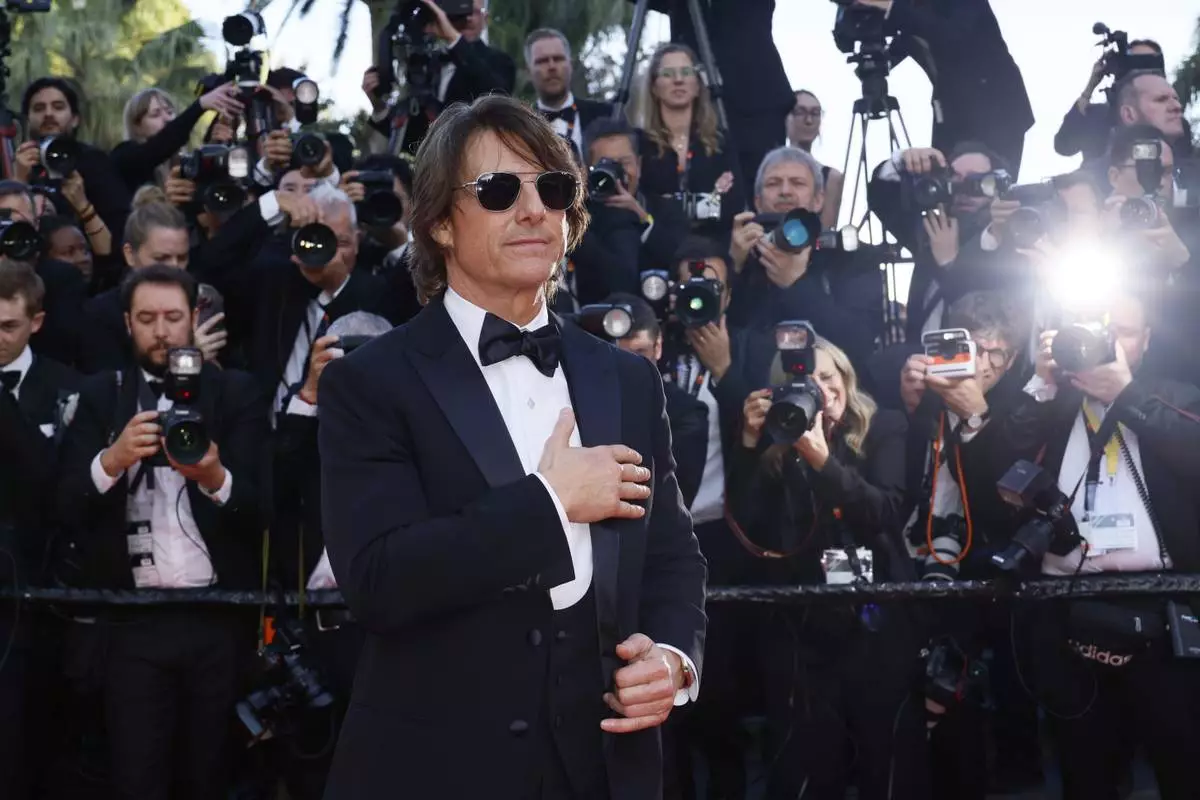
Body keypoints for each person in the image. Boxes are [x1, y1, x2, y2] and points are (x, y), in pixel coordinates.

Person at [317, 94, 706, 799]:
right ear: (438, 221)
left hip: (606, 769)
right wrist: (552, 505)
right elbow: (379, 581)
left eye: (551, 189)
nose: (532, 210)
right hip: (436, 770)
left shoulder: (627, 379)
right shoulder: (369, 383)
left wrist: (675, 661)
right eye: (499, 191)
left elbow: (673, 556)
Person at [55, 265, 268, 800]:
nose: (161, 331)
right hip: (131, 621)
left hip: (218, 614)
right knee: (136, 775)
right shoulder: (103, 394)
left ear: (194, 319)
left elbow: (263, 508)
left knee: (209, 774)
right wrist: (112, 459)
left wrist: (213, 476)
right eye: (147, 318)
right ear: (127, 323)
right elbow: (61, 505)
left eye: (173, 317)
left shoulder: (236, 393)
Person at [987, 284, 1200, 800]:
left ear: (1145, 340)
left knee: (1183, 765)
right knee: (1085, 769)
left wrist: (1125, 397)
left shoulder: (1174, 397)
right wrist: (1041, 381)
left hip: (1163, 607)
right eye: (1094, 332)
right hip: (1066, 607)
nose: (1106, 343)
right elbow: (991, 468)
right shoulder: (1052, 406)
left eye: (1121, 332)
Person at [727, 336, 927, 800]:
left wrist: (821, 460)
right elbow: (748, 529)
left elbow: (885, 514)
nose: (817, 389)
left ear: (845, 379)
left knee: (889, 762)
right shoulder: (777, 441)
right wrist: (751, 445)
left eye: (826, 377)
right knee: (807, 766)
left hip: (876, 622)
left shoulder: (884, 426)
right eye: (802, 381)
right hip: (802, 626)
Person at [0, 259, 81, 800]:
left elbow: (54, 487)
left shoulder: (69, 387)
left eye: (7, 326)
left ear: (37, 322)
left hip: (33, 595)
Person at [856, 0, 1034, 178]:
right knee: (944, 185)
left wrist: (889, 7)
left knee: (989, 187)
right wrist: (855, 17)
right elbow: (897, 34)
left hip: (996, 109)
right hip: (951, 111)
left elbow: (950, 34)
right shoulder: (912, 12)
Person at [568, 118, 689, 304]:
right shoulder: (579, 217)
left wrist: (643, 219)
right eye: (607, 164)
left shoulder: (665, 209)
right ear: (587, 170)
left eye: (624, 163)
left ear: (639, 165)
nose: (618, 174)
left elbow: (680, 259)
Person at [637, 43, 741, 238]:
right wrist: (711, 200)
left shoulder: (720, 142)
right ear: (654, 86)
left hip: (712, 251)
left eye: (686, 72)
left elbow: (731, 206)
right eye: (668, 74)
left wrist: (669, 204)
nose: (678, 80)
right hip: (655, 252)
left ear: (697, 85)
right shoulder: (639, 143)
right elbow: (641, 205)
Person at [16, 77, 131, 240]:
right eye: (39, 108)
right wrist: (18, 181)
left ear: (75, 119)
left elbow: (120, 229)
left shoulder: (94, 160)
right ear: (28, 119)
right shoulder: (19, 163)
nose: (48, 114)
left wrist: (83, 206)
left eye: (58, 107)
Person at [111, 84, 243, 195]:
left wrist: (215, 148)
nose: (168, 119)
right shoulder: (125, 156)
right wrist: (200, 105)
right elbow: (156, 149)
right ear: (137, 127)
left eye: (169, 112)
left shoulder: (183, 165)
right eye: (155, 114)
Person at [1053, 40, 1168, 161]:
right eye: (1134, 62)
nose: (1141, 71)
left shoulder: (1171, 117)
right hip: (1096, 178)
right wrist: (1090, 86)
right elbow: (1063, 145)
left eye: (1148, 63)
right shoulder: (1099, 115)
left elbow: (1176, 159)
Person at [525, 29, 612, 161]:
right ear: (529, 71)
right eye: (542, 61)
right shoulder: (520, 125)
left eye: (558, 59)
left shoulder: (606, 115)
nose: (552, 66)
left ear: (570, 65)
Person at [786, 90, 844, 230]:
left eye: (815, 113)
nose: (809, 120)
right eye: (800, 112)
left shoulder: (831, 177)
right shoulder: (765, 169)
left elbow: (824, 235)